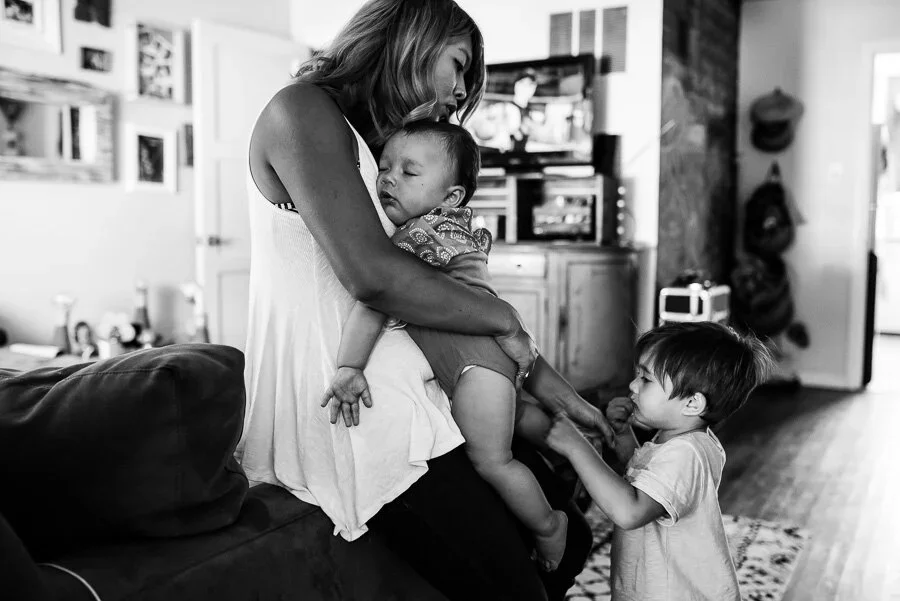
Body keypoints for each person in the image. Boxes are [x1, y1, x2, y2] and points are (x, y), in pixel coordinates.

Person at [237, 1, 606, 599]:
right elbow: (375, 278)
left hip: (425, 382)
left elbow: (446, 290)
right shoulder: (300, 111)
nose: (459, 91)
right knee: (515, 584)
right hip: (350, 404)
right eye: (457, 66)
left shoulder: (384, 149)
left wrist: (552, 388)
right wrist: (509, 320)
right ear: (412, 38)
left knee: (574, 536)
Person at [321, 120, 615, 571]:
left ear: (452, 196)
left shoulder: (419, 236)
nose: (389, 178)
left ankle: (549, 526)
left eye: (409, 172)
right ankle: (575, 444)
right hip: (487, 362)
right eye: (384, 168)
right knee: (518, 420)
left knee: (493, 461)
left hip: (475, 366)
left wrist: (348, 366)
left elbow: (374, 301)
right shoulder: (451, 226)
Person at [546, 321, 773, 600]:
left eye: (646, 379)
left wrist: (576, 448)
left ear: (692, 404)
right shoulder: (682, 441)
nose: (632, 385)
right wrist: (623, 435)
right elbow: (649, 481)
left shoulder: (686, 455)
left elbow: (631, 511)